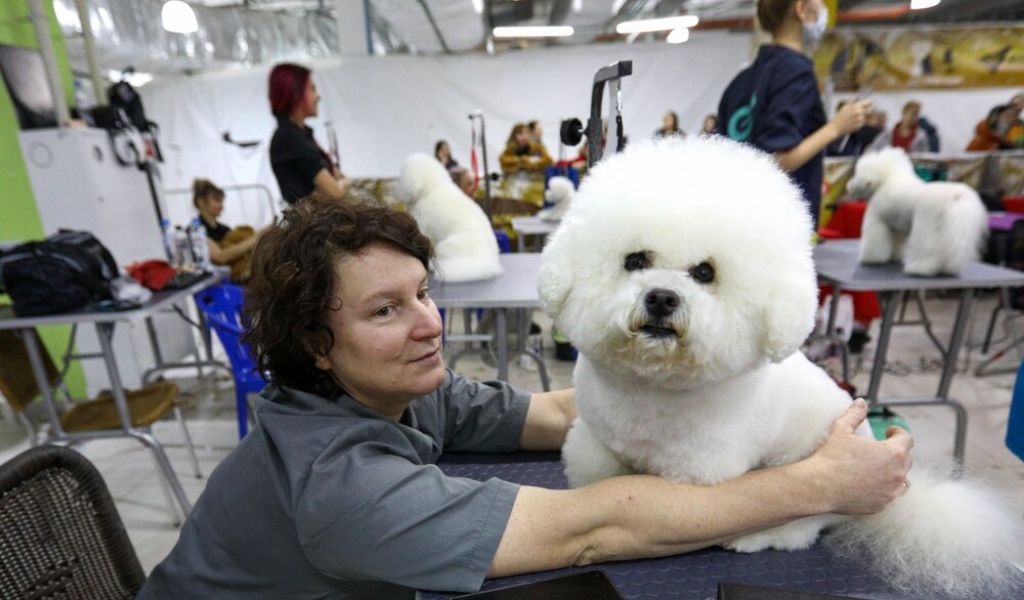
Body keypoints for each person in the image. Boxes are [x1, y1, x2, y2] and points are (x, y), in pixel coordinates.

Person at [138, 197, 913, 599]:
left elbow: (555, 412)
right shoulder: (342, 487)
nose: (427, 326)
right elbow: (594, 529)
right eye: (385, 311)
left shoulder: (390, 391)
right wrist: (818, 486)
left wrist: (708, 372)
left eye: (421, 294)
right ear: (315, 342)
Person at [717, 0, 871, 226]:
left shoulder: (741, 81)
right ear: (801, 9)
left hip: (737, 218)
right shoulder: (796, 72)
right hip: (780, 223)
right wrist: (837, 127)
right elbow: (780, 158)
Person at [268, 63, 349, 204]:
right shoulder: (289, 138)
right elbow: (335, 193)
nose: (317, 96)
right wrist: (345, 184)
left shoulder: (302, 134)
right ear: (295, 94)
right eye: (312, 89)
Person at [192, 178, 265, 282]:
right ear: (201, 202)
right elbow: (220, 257)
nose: (221, 206)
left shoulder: (223, 229)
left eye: (221, 201)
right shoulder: (197, 230)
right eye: (216, 200)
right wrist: (256, 238)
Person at [867, 100, 935, 154]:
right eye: (912, 114)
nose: (914, 117)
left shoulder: (921, 136)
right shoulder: (888, 134)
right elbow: (872, 149)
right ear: (904, 113)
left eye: (917, 114)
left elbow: (924, 157)